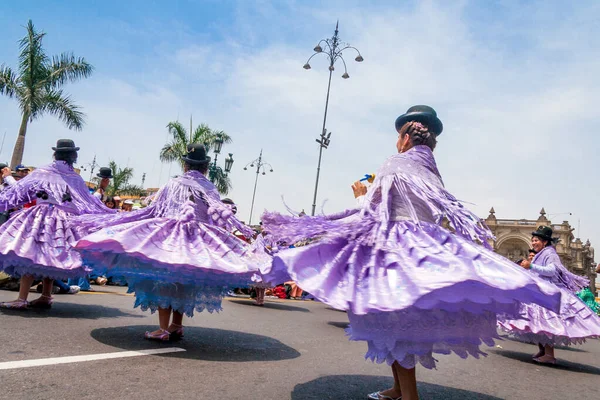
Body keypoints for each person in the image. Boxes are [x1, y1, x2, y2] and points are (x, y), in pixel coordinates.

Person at [262, 106, 563, 400]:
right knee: (394, 323)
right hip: (425, 249)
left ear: (405, 138)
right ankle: (397, 389)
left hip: (396, 250)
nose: (396, 142)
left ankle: (409, 396)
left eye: (397, 137)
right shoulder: (431, 169)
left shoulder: (395, 162)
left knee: (395, 325)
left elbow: (373, 211)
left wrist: (359, 195)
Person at [73, 143, 267, 340]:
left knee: (165, 280)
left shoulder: (173, 184)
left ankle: (163, 329)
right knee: (183, 282)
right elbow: (213, 217)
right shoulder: (210, 189)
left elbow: (156, 210)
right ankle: (176, 325)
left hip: (172, 237)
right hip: (198, 240)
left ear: (185, 165)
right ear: (205, 167)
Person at [0, 139, 115, 309]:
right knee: (52, 255)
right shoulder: (75, 177)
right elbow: (88, 202)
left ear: (56, 153)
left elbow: (19, 191)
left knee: (32, 254)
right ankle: (46, 295)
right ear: (73, 156)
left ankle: (22, 298)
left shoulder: (44, 171)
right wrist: (100, 193)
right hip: (65, 221)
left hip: (42, 217)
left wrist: (8, 177)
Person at [498, 226, 600, 364]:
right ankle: (542, 350)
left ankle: (549, 355)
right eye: (532, 240)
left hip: (548, 293)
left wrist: (531, 266)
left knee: (546, 323)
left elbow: (552, 270)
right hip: (539, 291)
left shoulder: (550, 253)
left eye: (536, 240)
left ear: (545, 242)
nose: (533, 243)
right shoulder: (542, 253)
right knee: (537, 323)